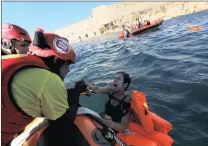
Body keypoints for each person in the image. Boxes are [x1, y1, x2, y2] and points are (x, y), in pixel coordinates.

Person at [2, 28, 87, 146]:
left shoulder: (14, 62)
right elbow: (62, 121)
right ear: (57, 61)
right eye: (67, 64)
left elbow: (41, 94)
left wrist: (75, 91)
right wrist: (76, 95)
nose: (69, 70)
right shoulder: (49, 79)